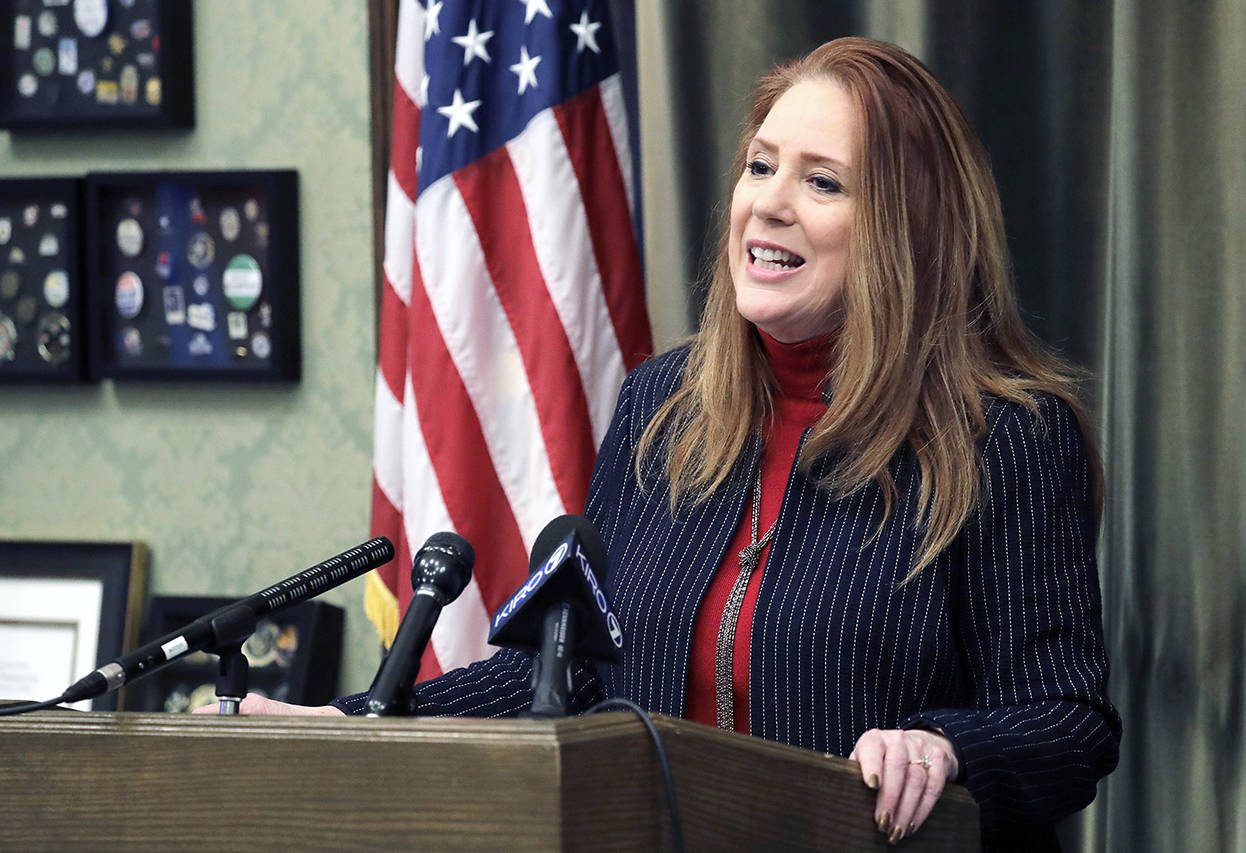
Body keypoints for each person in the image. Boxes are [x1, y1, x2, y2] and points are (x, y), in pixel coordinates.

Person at [206, 37, 1120, 850]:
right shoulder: (662, 407)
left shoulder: (1006, 435)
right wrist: (357, 717)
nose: (768, 205)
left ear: (911, 224)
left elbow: (1064, 719)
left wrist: (947, 744)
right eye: (759, 167)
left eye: (822, 180)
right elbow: (557, 670)